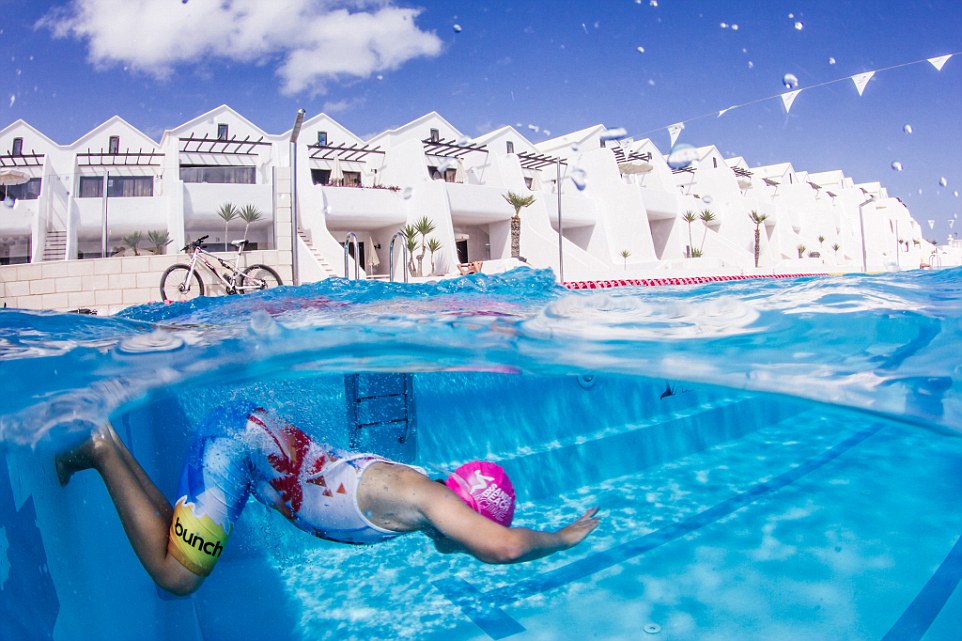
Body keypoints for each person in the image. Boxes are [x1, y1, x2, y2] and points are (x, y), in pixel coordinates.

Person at [57, 403, 600, 596]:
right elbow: (502, 548)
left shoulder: (422, 494)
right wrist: (562, 538)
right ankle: (103, 449)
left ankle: (108, 449)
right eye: (472, 529)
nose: (466, 542)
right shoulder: (425, 497)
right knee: (178, 579)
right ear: (470, 513)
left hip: (253, 452)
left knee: (183, 545)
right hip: (241, 443)